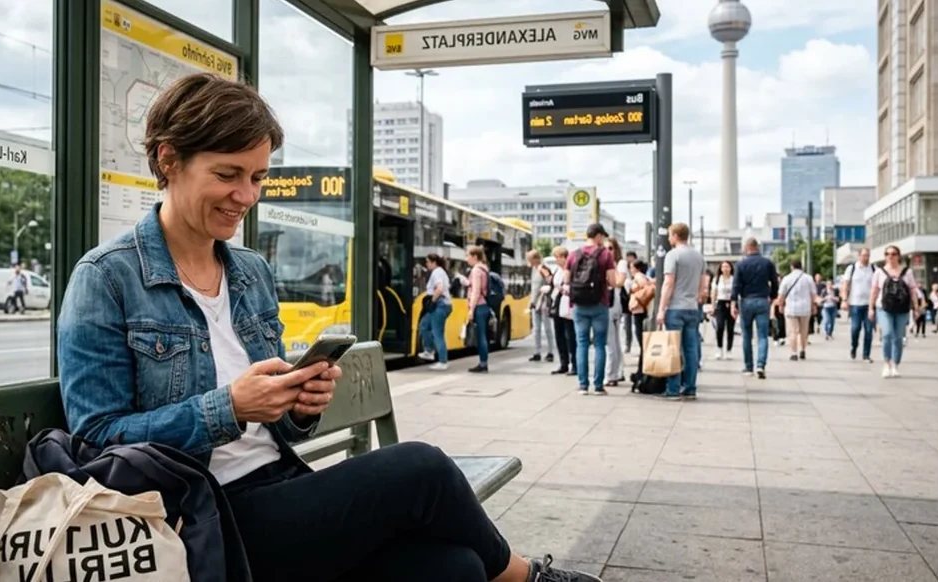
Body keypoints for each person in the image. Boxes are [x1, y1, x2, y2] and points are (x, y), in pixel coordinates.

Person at [57, 73, 596, 582]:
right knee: (422, 468)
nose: (246, 196)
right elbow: (97, 443)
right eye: (228, 175)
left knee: (454, 568)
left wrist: (298, 403)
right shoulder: (107, 278)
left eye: (258, 177)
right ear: (168, 159)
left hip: (283, 490)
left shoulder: (250, 272)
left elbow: (279, 431)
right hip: (203, 518)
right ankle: (529, 577)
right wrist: (230, 408)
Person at [565, 223, 619, 395]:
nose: (603, 239)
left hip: (579, 304)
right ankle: (598, 386)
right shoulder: (605, 254)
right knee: (600, 345)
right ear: (598, 236)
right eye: (602, 236)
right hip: (599, 304)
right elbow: (612, 281)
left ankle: (582, 385)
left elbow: (567, 280)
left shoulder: (573, 254)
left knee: (581, 344)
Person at [656, 223, 708, 400]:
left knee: (673, 349)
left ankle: (673, 389)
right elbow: (703, 286)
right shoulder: (699, 256)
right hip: (692, 308)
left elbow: (668, 283)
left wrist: (661, 309)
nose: (669, 238)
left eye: (670, 235)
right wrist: (696, 298)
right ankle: (690, 387)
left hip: (675, 308)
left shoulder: (673, 255)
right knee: (691, 350)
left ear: (676, 236)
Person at [731, 237, 778, 379]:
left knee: (747, 335)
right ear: (757, 247)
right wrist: (772, 296)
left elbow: (736, 285)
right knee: (763, 335)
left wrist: (733, 302)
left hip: (746, 301)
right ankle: (760, 365)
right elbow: (774, 282)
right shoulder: (767, 263)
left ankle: (748, 366)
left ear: (746, 248)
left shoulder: (741, 264)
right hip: (763, 300)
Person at [869, 245, 919, 378]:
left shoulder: (907, 272)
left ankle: (895, 364)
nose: (890, 256)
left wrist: (916, 307)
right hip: (883, 308)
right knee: (887, 334)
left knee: (898, 337)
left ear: (898, 256)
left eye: (893, 254)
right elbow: (874, 291)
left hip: (902, 308)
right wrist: (871, 308)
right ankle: (886, 363)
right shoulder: (879, 272)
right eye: (887, 254)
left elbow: (913, 290)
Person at [778, 260, 819, 361]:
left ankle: (793, 353)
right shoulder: (808, 278)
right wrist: (814, 305)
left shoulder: (787, 278)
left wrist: (780, 305)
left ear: (792, 267)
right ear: (801, 267)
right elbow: (813, 294)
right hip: (805, 308)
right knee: (804, 331)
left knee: (792, 331)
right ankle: (802, 350)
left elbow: (781, 295)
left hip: (791, 308)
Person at [841, 248, 876, 363]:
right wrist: (844, 300)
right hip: (855, 304)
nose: (866, 258)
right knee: (855, 328)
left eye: (868, 255)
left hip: (869, 305)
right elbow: (845, 285)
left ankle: (866, 355)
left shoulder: (874, 269)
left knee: (869, 330)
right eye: (864, 255)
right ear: (859, 256)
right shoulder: (852, 269)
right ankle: (854, 346)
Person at [418, 253, 452, 371]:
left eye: (427, 262)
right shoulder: (440, 271)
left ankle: (443, 361)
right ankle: (429, 350)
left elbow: (440, 288)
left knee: (438, 333)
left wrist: (432, 301)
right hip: (442, 304)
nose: (426, 264)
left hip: (440, 304)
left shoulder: (437, 272)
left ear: (433, 262)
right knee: (424, 326)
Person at [604, 237, 628, 387]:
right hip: (610, 303)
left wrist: (607, 279)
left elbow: (619, 282)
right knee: (614, 341)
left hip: (613, 303)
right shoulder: (607, 264)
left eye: (611, 248)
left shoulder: (620, 263)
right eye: (605, 248)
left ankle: (610, 374)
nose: (608, 251)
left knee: (610, 341)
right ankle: (618, 372)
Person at [465, 245, 493, 374]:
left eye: (468, 256)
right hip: (485, 305)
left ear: (475, 257)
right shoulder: (485, 269)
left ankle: (483, 363)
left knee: (481, 336)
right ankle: (483, 362)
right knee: (483, 335)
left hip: (479, 306)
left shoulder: (476, 270)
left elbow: (476, 291)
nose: (466, 259)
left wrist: (471, 309)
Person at [549, 246, 576, 375]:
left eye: (557, 257)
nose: (555, 260)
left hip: (566, 305)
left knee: (569, 335)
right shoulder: (557, 271)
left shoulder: (569, 270)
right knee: (559, 335)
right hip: (556, 305)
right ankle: (563, 363)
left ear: (564, 257)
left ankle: (574, 364)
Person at [526, 250, 555, 363]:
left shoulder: (543, 268)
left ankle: (550, 352)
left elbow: (551, 283)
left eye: (530, 259)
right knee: (536, 328)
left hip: (543, 302)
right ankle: (537, 352)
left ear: (535, 259)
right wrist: (531, 300)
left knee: (547, 327)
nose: (528, 261)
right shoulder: (534, 269)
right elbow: (533, 287)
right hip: (535, 302)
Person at [627, 260, 653, 376]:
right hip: (641, 310)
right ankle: (642, 368)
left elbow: (646, 286)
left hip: (639, 310)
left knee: (641, 340)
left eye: (632, 267)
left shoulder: (639, 276)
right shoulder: (644, 276)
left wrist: (635, 288)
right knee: (642, 340)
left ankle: (642, 369)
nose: (630, 270)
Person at [712, 261, 735, 360]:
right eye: (723, 267)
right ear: (720, 269)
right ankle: (719, 348)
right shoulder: (717, 279)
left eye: (727, 266)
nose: (725, 269)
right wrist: (713, 306)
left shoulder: (734, 279)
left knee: (730, 328)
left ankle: (729, 350)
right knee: (720, 327)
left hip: (732, 303)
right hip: (720, 303)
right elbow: (713, 292)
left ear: (731, 268)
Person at [623, 250, 638, 353]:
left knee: (637, 324)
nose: (630, 260)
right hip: (626, 299)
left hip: (637, 299)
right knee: (627, 324)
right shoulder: (625, 269)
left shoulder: (639, 270)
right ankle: (628, 344)